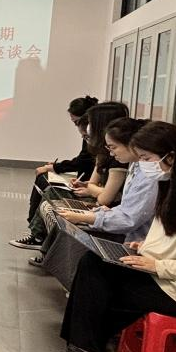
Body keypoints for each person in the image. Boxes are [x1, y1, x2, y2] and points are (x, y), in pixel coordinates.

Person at [47, 121, 176, 352]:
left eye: (146, 158)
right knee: (93, 262)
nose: (143, 165)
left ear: (171, 157)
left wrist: (158, 266)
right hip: (165, 274)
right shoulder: (173, 187)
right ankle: (85, 351)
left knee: (104, 287)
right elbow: (174, 240)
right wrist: (144, 247)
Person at [31, 118, 158, 283]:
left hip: (131, 236)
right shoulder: (136, 166)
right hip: (119, 222)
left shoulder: (148, 174)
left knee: (71, 231)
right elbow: (127, 208)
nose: (111, 153)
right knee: (57, 211)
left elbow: (127, 217)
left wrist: (86, 216)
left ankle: (70, 278)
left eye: (113, 147)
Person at [11, 102, 129, 250]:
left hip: (106, 209)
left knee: (51, 198)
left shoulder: (118, 160)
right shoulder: (103, 153)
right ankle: (39, 236)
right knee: (49, 190)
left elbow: (104, 198)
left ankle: (41, 239)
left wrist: (92, 189)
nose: (87, 129)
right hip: (99, 201)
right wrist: (91, 188)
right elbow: (92, 184)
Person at [28, 95, 99, 222]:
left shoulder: (99, 144)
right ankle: (33, 222)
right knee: (43, 179)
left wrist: (54, 167)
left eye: (76, 122)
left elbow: (83, 161)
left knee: (45, 183)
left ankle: (35, 226)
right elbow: (84, 160)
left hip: (87, 188)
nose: (76, 126)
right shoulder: (93, 139)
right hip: (84, 182)